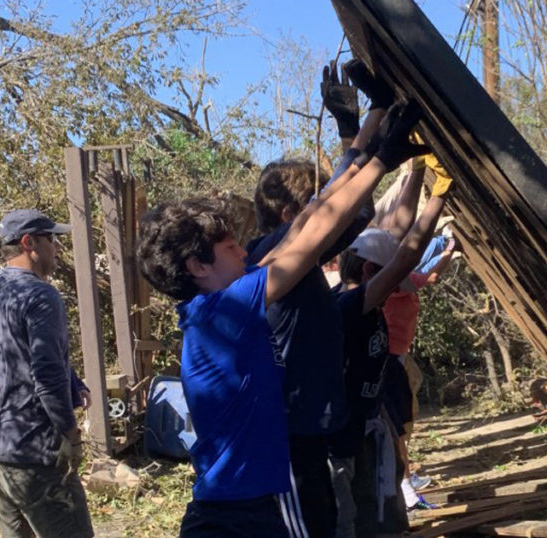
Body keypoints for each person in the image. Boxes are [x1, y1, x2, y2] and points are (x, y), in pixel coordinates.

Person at [136, 100, 427, 538]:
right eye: (230, 246)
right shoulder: (224, 312)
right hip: (238, 517)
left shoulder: (220, 301)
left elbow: (309, 218)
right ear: (198, 267)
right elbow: (311, 240)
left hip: (238, 510)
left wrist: (370, 136)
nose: (243, 250)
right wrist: (383, 159)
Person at [242, 59, 392, 538]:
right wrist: (369, 125)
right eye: (312, 203)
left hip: (310, 427)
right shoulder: (272, 259)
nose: (326, 208)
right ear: (291, 215)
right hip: (294, 435)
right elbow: (346, 204)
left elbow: (346, 203)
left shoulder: (286, 259)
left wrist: (362, 124)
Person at [329, 163, 454, 538]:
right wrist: (440, 194)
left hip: (368, 424)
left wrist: (416, 173)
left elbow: (396, 235)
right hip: (345, 437)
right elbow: (406, 256)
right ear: (370, 273)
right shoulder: (351, 305)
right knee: (353, 520)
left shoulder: (362, 295)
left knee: (384, 511)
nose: (395, 287)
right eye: (389, 281)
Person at [0, 209, 94, 538]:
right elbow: (47, 374)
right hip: (35, 455)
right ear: (29, 243)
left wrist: (73, 381)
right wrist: (70, 433)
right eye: (51, 239)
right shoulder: (40, 295)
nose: (56, 248)